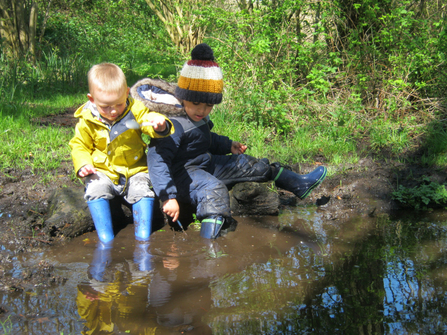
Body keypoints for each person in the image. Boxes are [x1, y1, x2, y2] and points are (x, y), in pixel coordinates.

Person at [134, 43, 327, 239]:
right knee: (214, 190)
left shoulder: (198, 117)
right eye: (196, 104)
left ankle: (299, 184)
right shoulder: (170, 124)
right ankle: (207, 245)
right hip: (182, 175)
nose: (202, 110)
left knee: (250, 164)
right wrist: (168, 197)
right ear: (183, 97)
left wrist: (228, 145)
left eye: (209, 105)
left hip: (206, 164)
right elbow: (157, 160)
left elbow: (205, 140)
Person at [69, 62, 174, 243]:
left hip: (135, 169)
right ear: (92, 99)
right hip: (103, 171)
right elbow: (79, 145)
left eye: (118, 104)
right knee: (95, 188)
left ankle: (143, 236)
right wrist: (83, 164)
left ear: (126, 93)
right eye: (105, 107)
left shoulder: (134, 110)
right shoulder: (87, 119)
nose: (113, 111)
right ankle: (105, 238)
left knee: (142, 190)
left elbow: (147, 120)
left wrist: (160, 123)